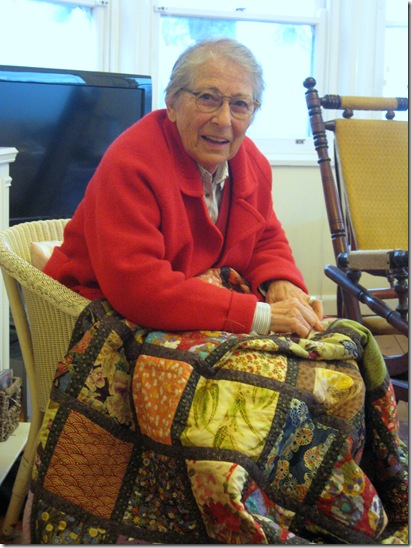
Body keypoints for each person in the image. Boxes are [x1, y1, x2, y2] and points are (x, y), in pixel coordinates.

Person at [44, 37, 323, 338]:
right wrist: (259, 315)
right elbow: (139, 288)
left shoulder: (251, 163)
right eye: (208, 98)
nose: (224, 120)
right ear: (172, 102)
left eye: (240, 104)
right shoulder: (131, 163)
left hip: (195, 308)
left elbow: (264, 237)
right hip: (102, 315)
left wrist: (280, 281)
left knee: (335, 349)